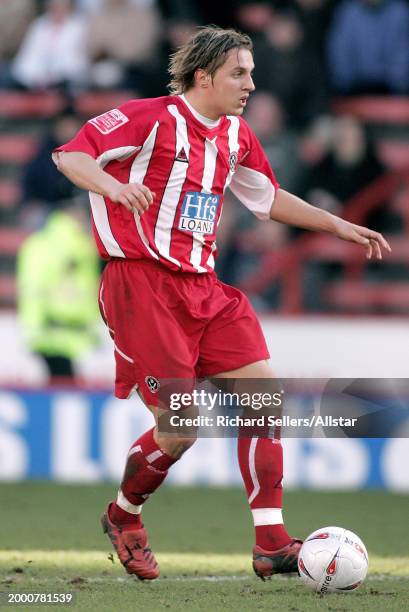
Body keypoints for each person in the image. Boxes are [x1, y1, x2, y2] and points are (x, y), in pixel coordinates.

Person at [52, 26, 390, 581]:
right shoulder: (147, 117)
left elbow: (267, 197)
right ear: (203, 76)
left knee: (265, 400)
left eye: (252, 73)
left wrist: (336, 224)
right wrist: (112, 188)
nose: (251, 84)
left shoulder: (235, 135)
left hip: (205, 288)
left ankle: (272, 542)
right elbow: (71, 156)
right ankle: (124, 516)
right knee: (182, 427)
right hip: (142, 287)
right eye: (240, 73)